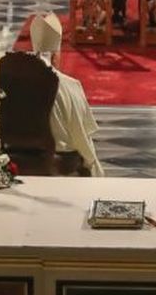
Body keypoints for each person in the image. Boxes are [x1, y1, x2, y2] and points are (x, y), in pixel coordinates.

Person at [27, 13, 104, 175]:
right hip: (59, 157)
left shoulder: (14, 79)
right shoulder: (70, 86)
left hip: (20, 154)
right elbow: (80, 134)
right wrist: (92, 161)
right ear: (55, 56)